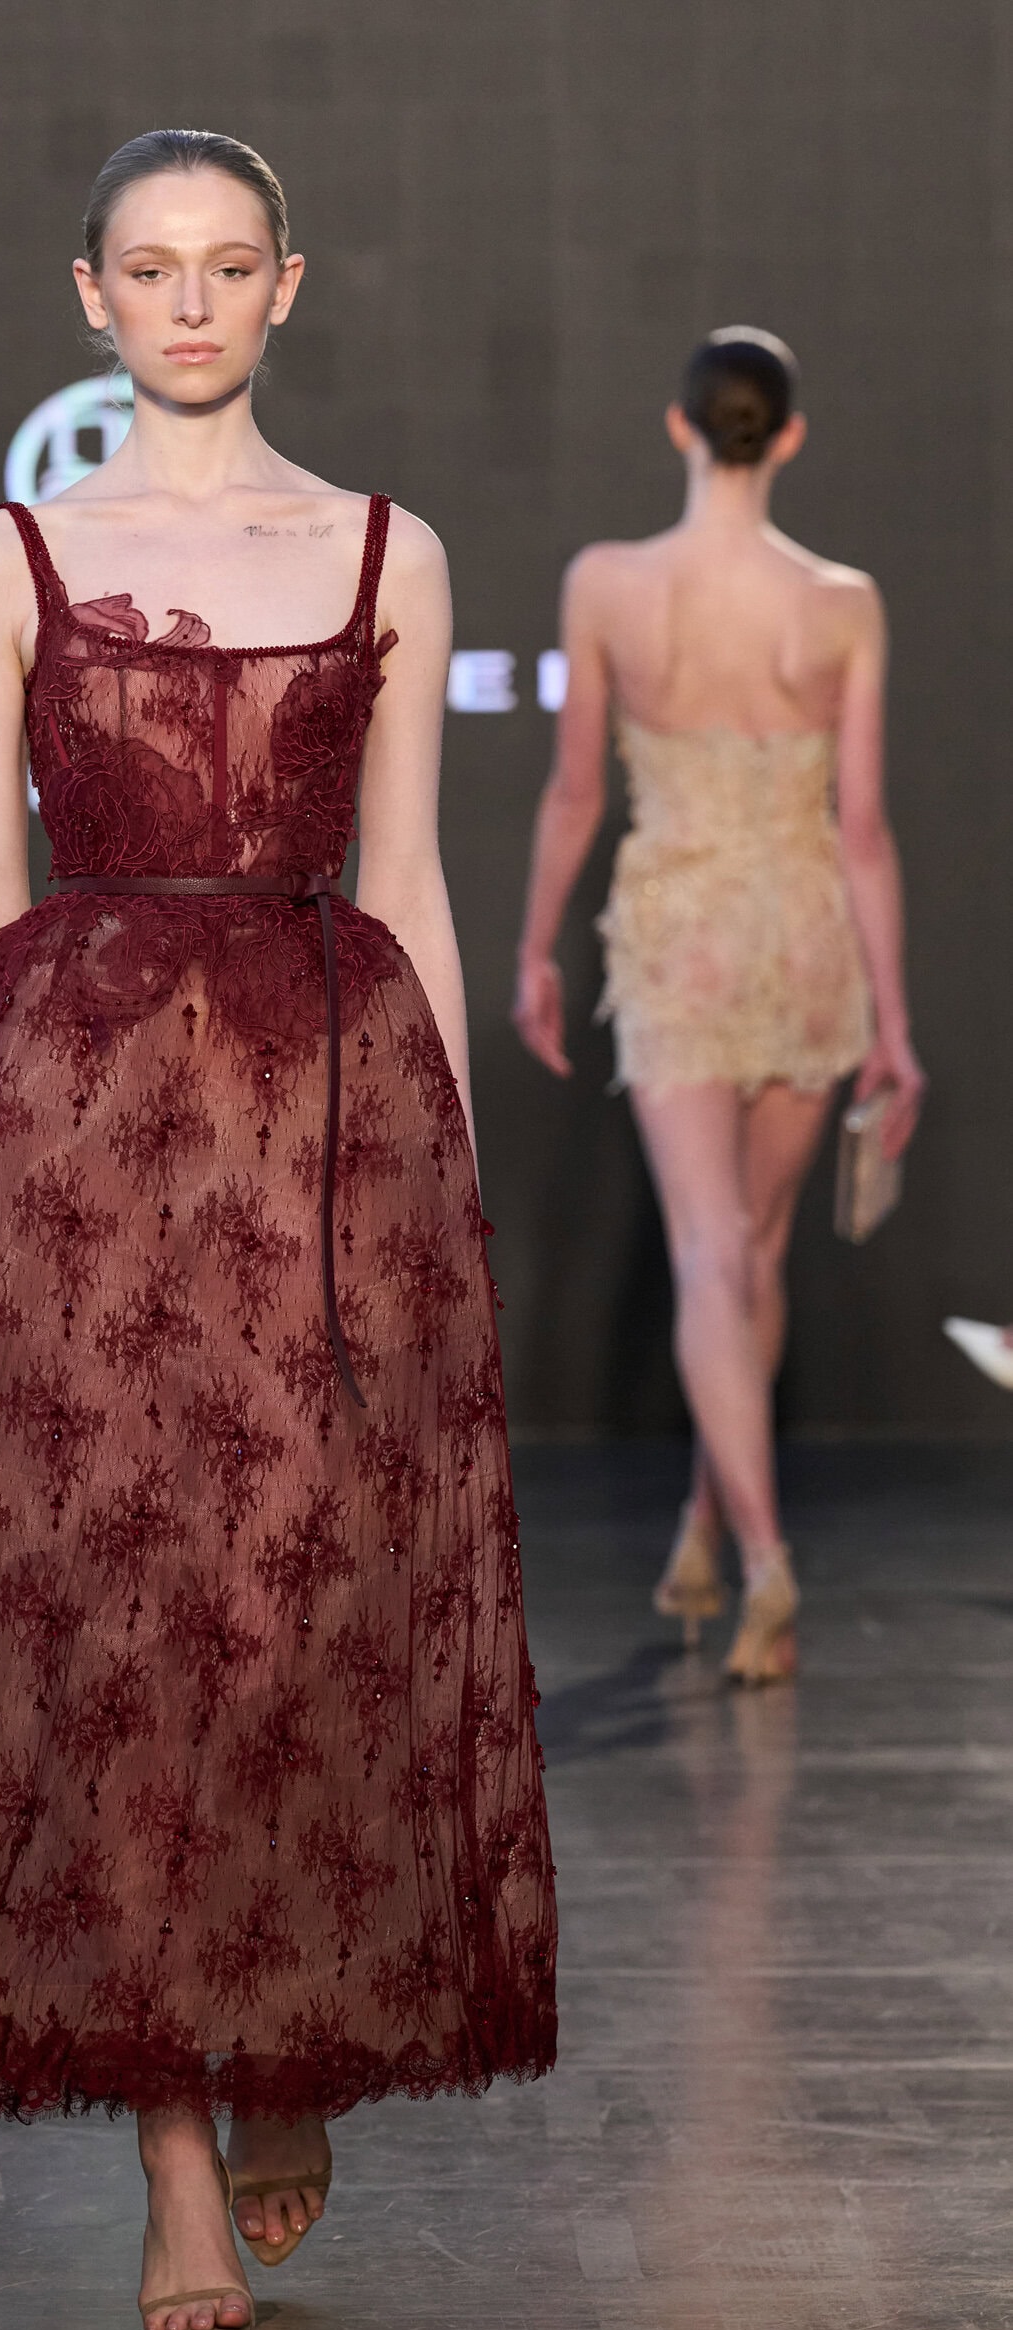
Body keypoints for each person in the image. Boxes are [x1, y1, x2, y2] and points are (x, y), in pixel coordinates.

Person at [0, 129, 556, 2330]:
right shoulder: (10, 560)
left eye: (227, 265)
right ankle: (174, 2147)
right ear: (90, 295)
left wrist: (438, 1170)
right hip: (73, 1141)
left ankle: (288, 2035)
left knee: (299, 1602)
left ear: (287, 288)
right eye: (150, 269)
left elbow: (411, 880)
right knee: (120, 1623)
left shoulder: (387, 550)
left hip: (316, 1125)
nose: (188, 302)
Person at [513, 329, 924, 1685]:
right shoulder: (840, 601)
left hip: (684, 934)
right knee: (754, 1254)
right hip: (805, 937)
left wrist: (536, 948)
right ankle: (708, 1528)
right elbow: (863, 831)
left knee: (710, 1257)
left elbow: (578, 790)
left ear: (681, 428)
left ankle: (761, 1556)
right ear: (788, 436)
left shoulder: (611, 583)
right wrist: (895, 1024)